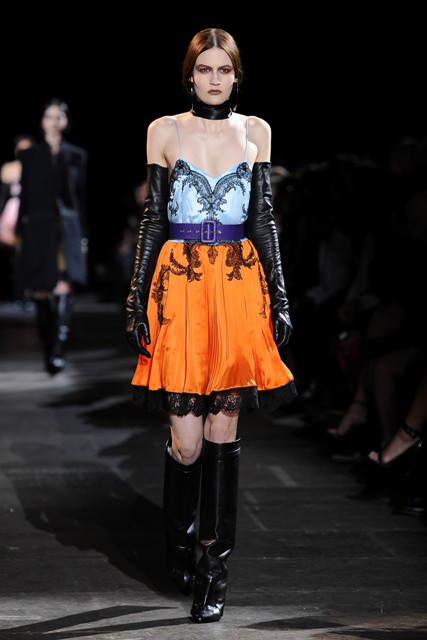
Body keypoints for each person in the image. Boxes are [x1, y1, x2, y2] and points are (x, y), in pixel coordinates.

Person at [126, 28, 297, 624]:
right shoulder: (164, 130)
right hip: (178, 286)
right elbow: (153, 220)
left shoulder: (256, 131)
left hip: (237, 285)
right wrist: (135, 298)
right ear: (190, 74)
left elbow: (263, 218)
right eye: (205, 69)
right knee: (186, 441)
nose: (215, 79)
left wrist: (279, 295)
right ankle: (178, 540)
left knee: (223, 431)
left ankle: (213, 567)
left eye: (225, 69)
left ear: (236, 75)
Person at [15, 98, 88, 374]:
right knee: (42, 290)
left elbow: (81, 197)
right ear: (42, 121)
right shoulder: (30, 155)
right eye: (49, 116)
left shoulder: (76, 155)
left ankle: (58, 348)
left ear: (66, 121)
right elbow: (25, 196)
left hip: (67, 227)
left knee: (65, 284)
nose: (54, 122)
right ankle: (49, 345)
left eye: (59, 117)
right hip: (38, 228)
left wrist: (83, 234)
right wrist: (21, 231)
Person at [0, 134, 34, 299]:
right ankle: (18, 293)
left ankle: (29, 293)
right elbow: (3, 196)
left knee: (29, 253)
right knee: (15, 255)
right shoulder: (9, 168)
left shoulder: (37, 168)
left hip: (31, 213)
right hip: (12, 214)